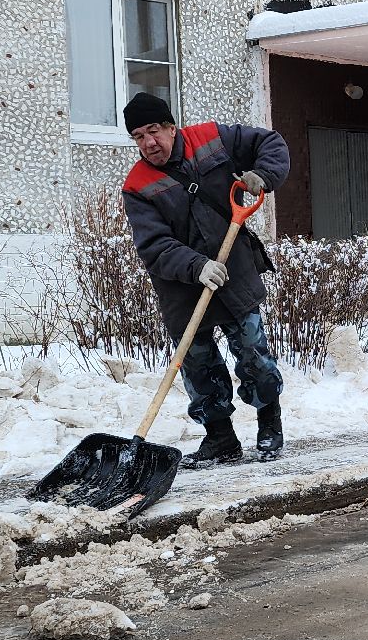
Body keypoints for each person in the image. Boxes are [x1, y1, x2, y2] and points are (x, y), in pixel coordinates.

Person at [120, 92, 292, 465]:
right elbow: (154, 246)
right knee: (199, 367)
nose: (149, 143)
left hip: (234, 274)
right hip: (182, 288)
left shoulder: (212, 139)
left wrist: (262, 175)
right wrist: (196, 265)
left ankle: (269, 425)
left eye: (154, 131)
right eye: (138, 136)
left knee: (253, 355)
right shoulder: (137, 186)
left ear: (170, 126)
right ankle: (220, 439)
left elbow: (271, 142)